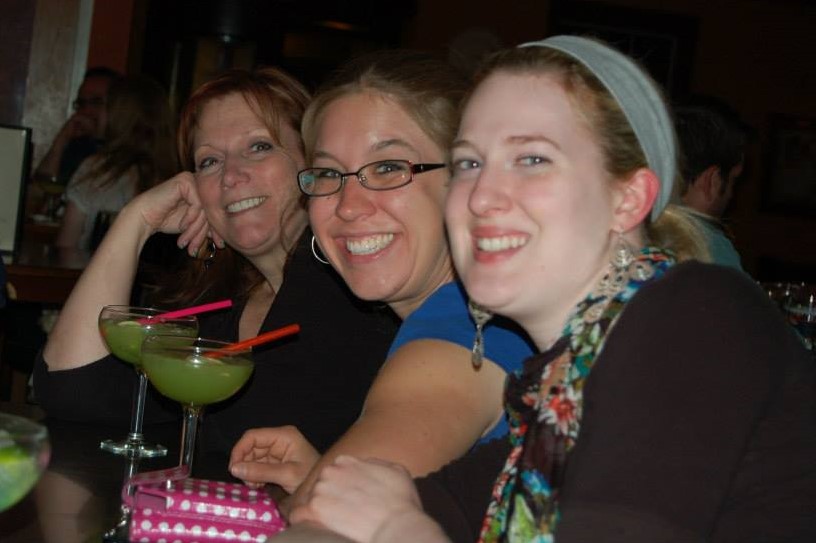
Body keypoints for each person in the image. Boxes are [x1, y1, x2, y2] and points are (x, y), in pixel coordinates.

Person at [286, 36, 816, 543]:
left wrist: (398, 529)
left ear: (629, 198)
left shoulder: (694, 317)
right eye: (470, 163)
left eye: (532, 159)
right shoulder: (552, 397)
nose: (481, 196)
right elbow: (334, 513)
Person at [32, 67, 399, 476]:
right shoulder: (218, 303)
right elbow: (71, 390)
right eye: (209, 161)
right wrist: (135, 223)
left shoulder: (362, 296)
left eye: (258, 147)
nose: (230, 175)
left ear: (313, 163)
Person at [228, 51, 534, 497]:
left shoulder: (464, 330)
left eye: (388, 168)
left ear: (464, 182)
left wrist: (321, 496)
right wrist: (318, 476)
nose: (349, 204)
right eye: (330, 174)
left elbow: (329, 521)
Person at [55, 75, 178, 250]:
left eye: (102, 105)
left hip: (98, 272)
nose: (95, 113)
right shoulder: (178, 177)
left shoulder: (96, 170)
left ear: (118, 115)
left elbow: (66, 246)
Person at [29, 67, 121, 215]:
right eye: (82, 103)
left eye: (96, 102)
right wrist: (61, 141)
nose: (86, 111)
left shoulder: (129, 153)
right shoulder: (79, 146)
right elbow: (37, 195)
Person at [675, 97, 751, 270]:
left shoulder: (630, 225)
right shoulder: (710, 247)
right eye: (733, 180)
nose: (731, 195)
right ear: (713, 180)